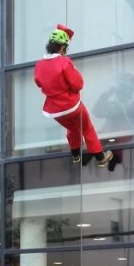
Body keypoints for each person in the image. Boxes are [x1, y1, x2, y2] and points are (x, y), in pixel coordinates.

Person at [34, 24, 115, 170]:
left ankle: (76, 154)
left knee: (73, 128)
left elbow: (39, 83)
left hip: (54, 111)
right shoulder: (64, 62)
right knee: (87, 128)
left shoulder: (39, 64)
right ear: (63, 47)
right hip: (71, 105)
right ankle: (100, 157)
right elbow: (78, 84)